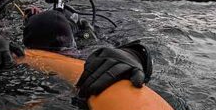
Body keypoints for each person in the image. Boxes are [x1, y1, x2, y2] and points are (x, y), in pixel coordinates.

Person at [22, 8, 152, 99]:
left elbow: (122, 45)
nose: (69, 55)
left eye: (68, 51)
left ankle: (84, 25)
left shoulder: (93, 53)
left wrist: (136, 54)